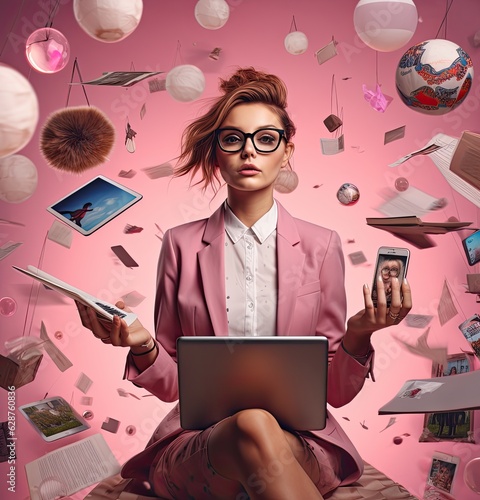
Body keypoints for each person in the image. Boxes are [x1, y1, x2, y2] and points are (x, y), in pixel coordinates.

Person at [76, 67, 412, 499]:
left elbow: (335, 393)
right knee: (250, 423)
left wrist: (360, 333)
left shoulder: (322, 246)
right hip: (199, 445)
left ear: (287, 150)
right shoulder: (180, 245)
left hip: (300, 441)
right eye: (232, 139)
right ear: (217, 151)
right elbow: (173, 387)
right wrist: (142, 345)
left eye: (265, 139)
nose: (248, 152)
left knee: (258, 424)